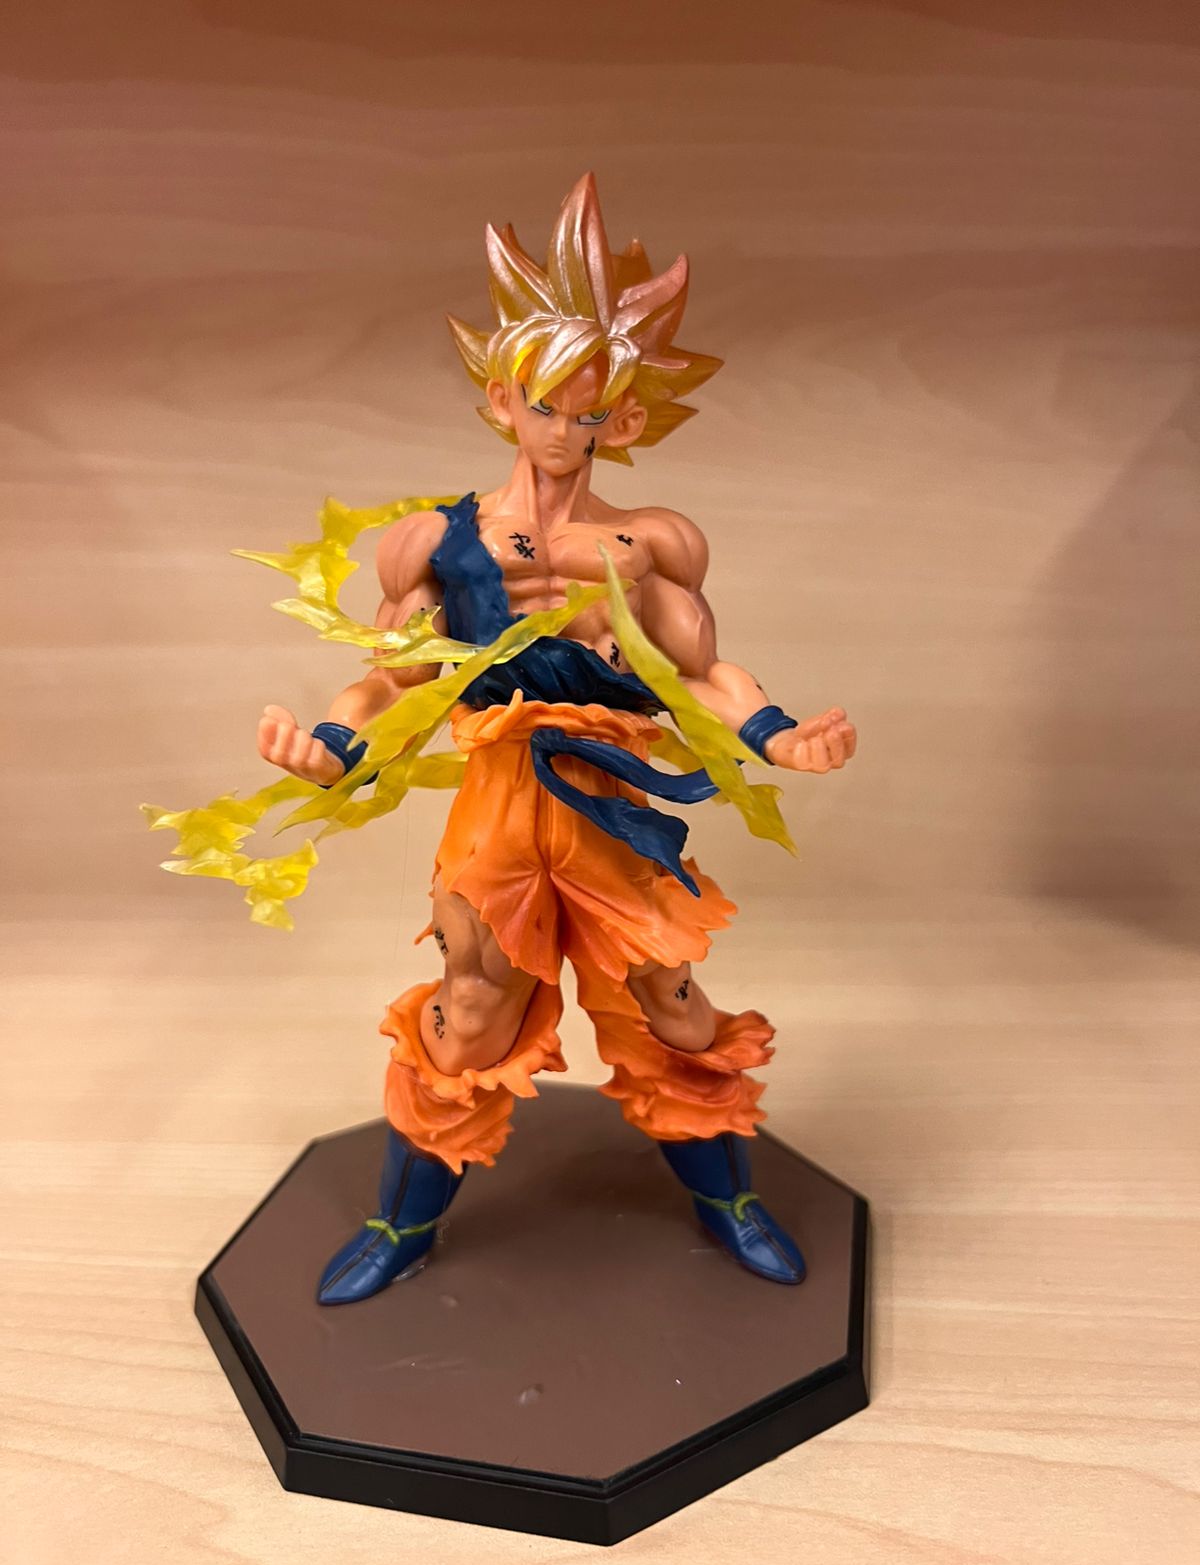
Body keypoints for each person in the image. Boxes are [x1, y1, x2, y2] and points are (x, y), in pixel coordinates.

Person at [255, 174, 857, 1304]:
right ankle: (400, 1222)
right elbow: (390, 677)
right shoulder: (432, 543)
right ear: (501, 398)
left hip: (609, 797)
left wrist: (778, 736)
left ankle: (728, 1199)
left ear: (623, 419)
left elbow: (700, 674)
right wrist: (331, 744)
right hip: (499, 793)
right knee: (471, 1008)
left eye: (592, 412)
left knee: (672, 1004)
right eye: (546, 403)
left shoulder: (649, 542)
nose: (566, 430)